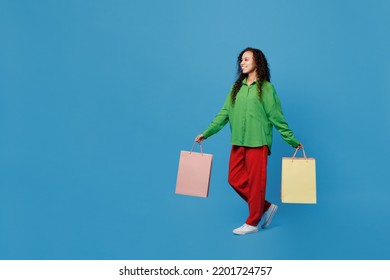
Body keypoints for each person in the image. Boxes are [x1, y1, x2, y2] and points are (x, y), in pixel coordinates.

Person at [195, 47, 302, 235]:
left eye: (246, 59)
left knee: (256, 183)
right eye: (241, 60)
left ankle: (252, 223)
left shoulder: (266, 88)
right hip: (238, 141)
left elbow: (276, 117)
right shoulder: (236, 88)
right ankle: (266, 207)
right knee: (234, 179)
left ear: (256, 62)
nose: (242, 63)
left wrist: (291, 140)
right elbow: (224, 113)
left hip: (258, 142)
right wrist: (207, 132)